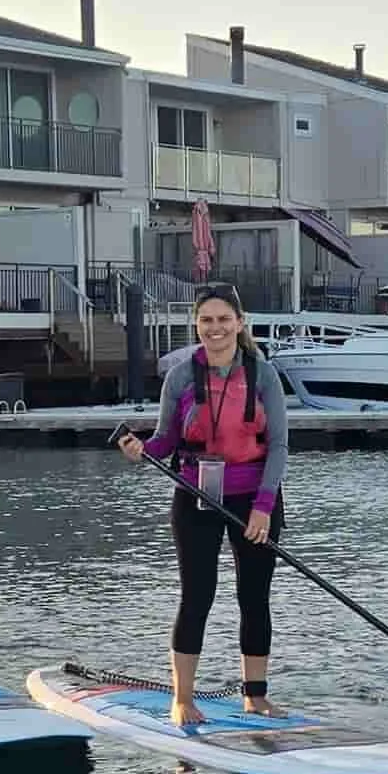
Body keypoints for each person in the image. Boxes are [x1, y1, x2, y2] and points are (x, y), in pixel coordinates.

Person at [119, 284, 291, 731]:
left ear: (239, 323)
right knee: (197, 596)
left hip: (254, 497)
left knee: (254, 598)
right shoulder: (180, 377)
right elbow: (165, 439)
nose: (214, 328)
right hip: (196, 497)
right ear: (197, 325)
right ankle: (182, 699)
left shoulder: (263, 374)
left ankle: (256, 697)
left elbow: (278, 447)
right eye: (206, 320)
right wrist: (143, 449)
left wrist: (263, 508)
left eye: (222, 319)